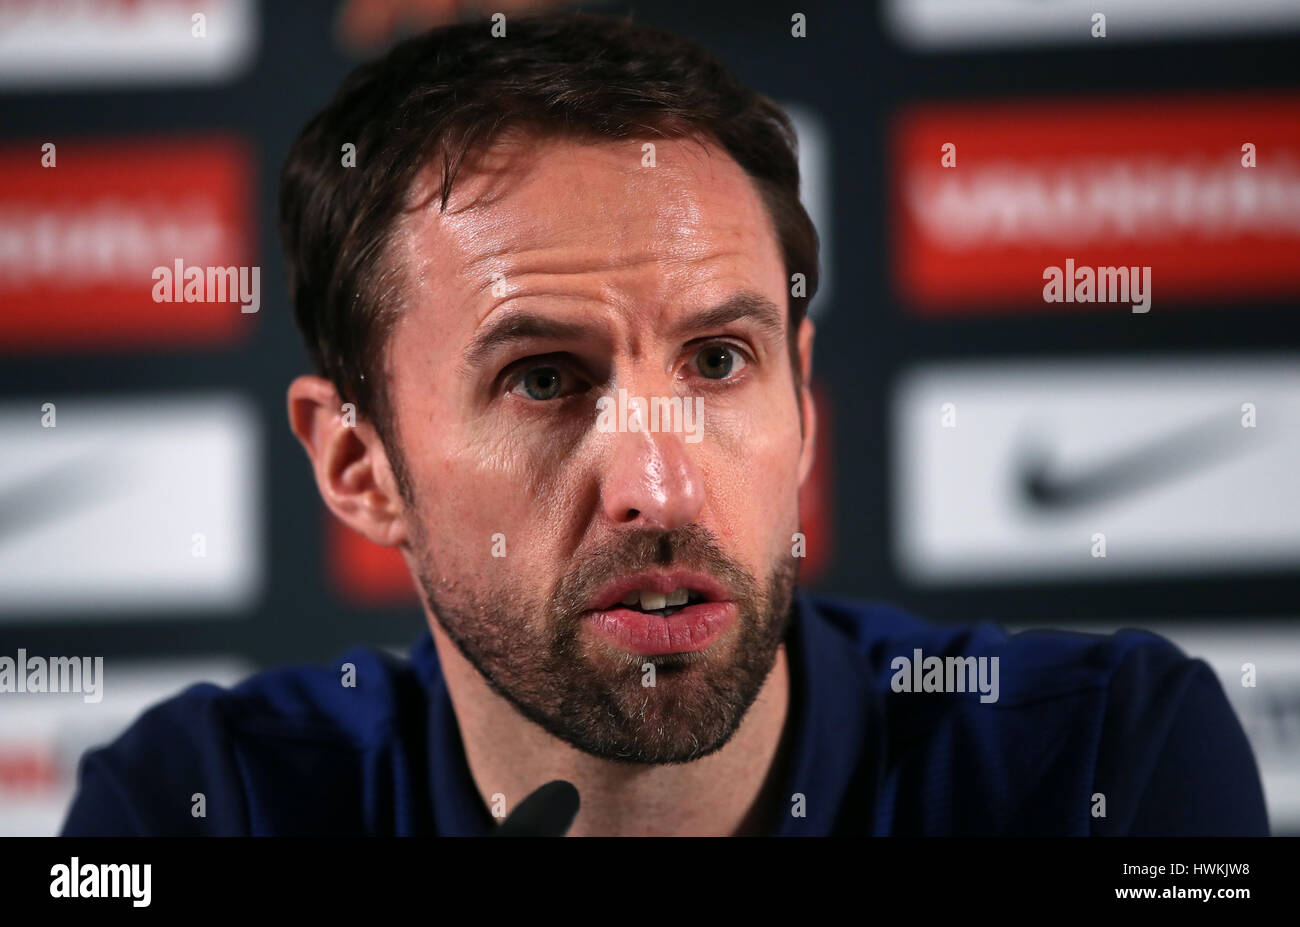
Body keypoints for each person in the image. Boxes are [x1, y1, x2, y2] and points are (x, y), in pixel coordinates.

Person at [61, 11, 1268, 837]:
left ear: (799, 398)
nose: (660, 485)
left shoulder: (1110, 767)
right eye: (544, 379)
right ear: (357, 464)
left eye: (716, 359)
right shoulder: (194, 807)